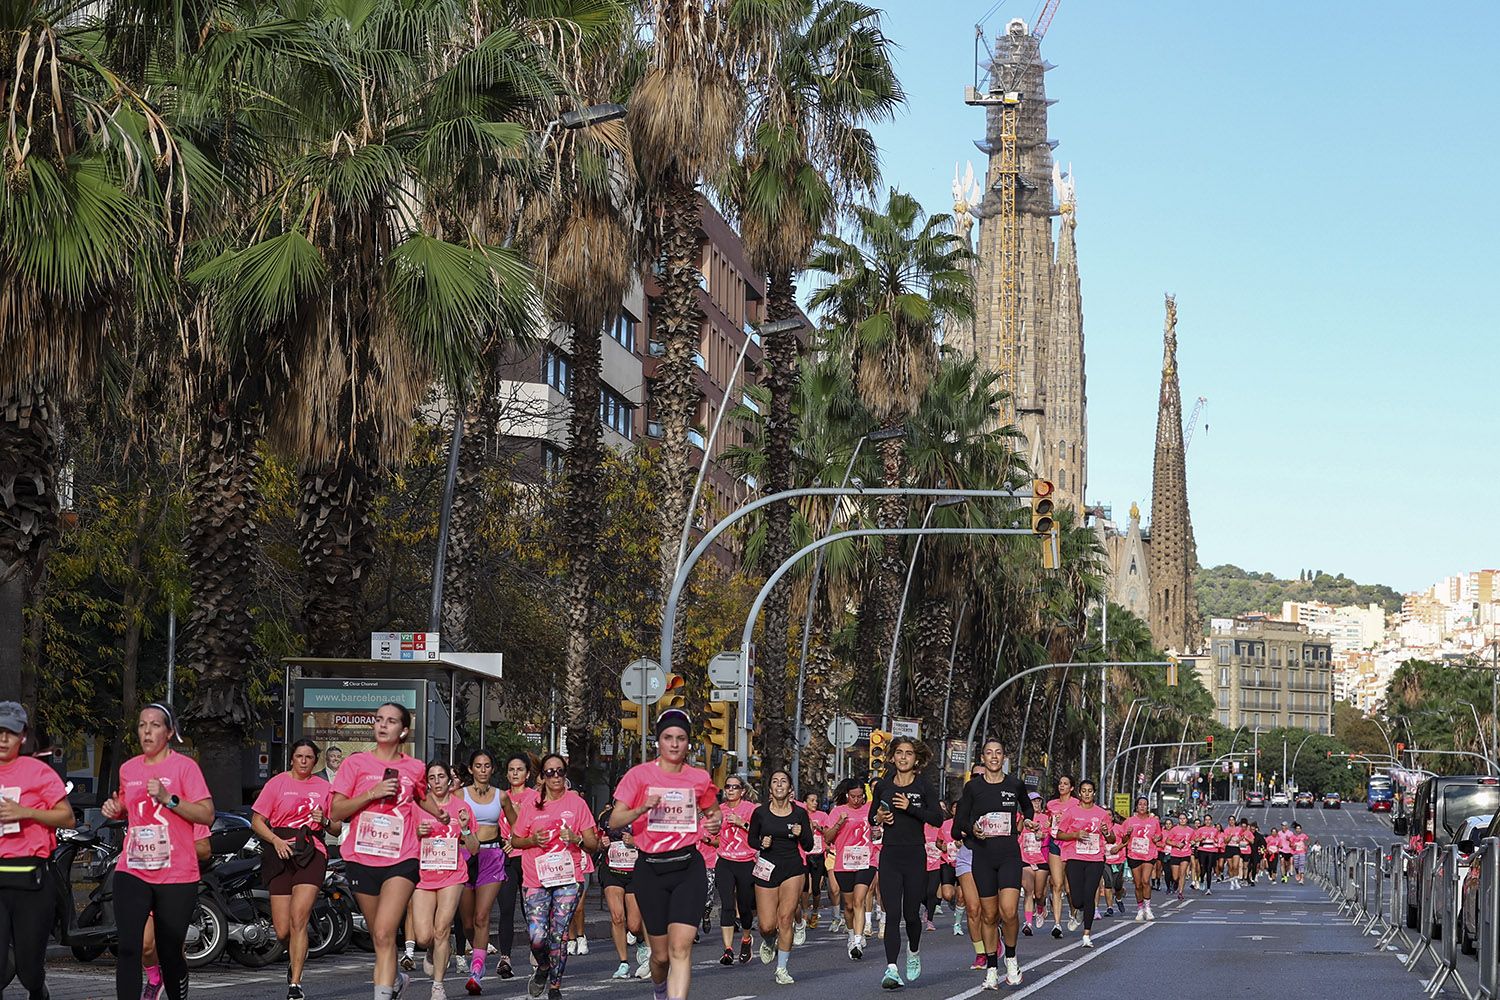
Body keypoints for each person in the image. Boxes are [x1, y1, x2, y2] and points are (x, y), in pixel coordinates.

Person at [331, 702, 452, 1000]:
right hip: (362, 856)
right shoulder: (355, 764)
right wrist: (371, 793)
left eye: (391, 721)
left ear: (404, 730)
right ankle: (395, 979)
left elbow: (420, 795)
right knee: (379, 936)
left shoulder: (414, 767)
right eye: (379, 719)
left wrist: (438, 812)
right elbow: (336, 810)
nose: (383, 725)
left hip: (402, 857)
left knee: (385, 932)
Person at [103, 703, 214, 1000]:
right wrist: (116, 809)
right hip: (134, 868)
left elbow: (207, 815)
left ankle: (175, 987)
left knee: (169, 951)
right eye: (142, 725)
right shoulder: (129, 769)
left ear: (169, 732)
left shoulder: (185, 768)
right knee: (130, 947)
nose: (147, 731)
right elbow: (127, 805)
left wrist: (169, 799)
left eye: (154, 725)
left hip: (176, 873)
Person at [610, 710, 722, 1000]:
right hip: (651, 870)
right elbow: (614, 820)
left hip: (688, 868)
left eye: (680, 738)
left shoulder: (699, 778)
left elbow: (714, 812)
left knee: (681, 948)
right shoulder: (639, 776)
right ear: (658, 741)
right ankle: (660, 990)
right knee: (660, 957)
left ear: (688, 743)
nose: (674, 744)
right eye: (668, 737)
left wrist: (714, 822)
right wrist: (642, 808)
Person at [251, 738, 341, 1000]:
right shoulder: (277, 783)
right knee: (282, 930)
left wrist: (325, 820)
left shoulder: (324, 788)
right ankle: (295, 955)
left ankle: (296, 984)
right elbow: (257, 821)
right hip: (279, 849)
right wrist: (275, 840)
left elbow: (336, 828)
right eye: (299, 756)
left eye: (309, 757)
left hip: (311, 851)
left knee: (299, 917)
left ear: (315, 761)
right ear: (291, 758)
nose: (303, 761)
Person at [508, 753, 598, 1000]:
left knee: (559, 934)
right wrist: (532, 840)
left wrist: (577, 839)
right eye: (550, 772)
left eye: (560, 771)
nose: (556, 776)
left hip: (568, 879)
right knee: (537, 937)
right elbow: (515, 840)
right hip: (535, 879)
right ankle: (543, 967)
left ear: (565, 774)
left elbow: (593, 844)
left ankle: (555, 987)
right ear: (543, 776)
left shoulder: (577, 804)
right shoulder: (531, 804)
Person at [0, 702, 72, 1000]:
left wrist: (25, 812)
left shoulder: (38, 772)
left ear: (23, 736)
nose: (3, 739)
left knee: (29, 969)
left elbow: (67, 818)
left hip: (31, 880)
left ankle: (38, 990)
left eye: (10, 732)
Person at [952, 737, 1033, 990]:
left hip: (1009, 855)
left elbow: (1027, 808)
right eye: (989, 753)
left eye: (998, 752)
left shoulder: (1015, 784)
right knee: (988, 915)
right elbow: (959, 822)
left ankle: (1011, 958)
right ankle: (991, 968)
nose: (994, 757)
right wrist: (972, 829)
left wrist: (1027, 821)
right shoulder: (973, 787)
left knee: (1008, 911)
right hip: (983, 856)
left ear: (1004, 757)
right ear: (983, 758)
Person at [869, 737, 943, 990]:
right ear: (892, 757)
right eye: (899, 752)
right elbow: (871, 817)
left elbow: (937, 819)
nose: (903, 757)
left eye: (908, 753)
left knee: (911, 914)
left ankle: (913, 950)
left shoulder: (924, 786)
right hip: (890, 855)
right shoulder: (883, 785)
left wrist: (911, 808)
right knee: (892, 913)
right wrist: (879, 817)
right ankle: (891, 969)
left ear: (916, 759)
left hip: (914, 856)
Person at [412, 761, 480, 1000]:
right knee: (423, 936)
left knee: (441, 928)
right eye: (432, 777)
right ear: (427, 782)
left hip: (452, 874)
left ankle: (438, 985)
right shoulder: (418, 806)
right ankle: (432, 949)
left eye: (441, 776)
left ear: (449, 780)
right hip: (423, 875)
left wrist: (465, 829)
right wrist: (416, 833)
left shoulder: (461, 807)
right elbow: (403, 841)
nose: (437, 781)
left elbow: (474, 849)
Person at [458, 749, 516, 994]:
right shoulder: (459, 794)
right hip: (464, 856)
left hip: (491, 856)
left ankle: (476, 972)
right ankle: (477, 952)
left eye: (487, 765)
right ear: (470, 769)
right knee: (467, 922)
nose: (483, 770)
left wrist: (513, 841)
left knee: (482, 917)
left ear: (492, 769)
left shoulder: (501, 796)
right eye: (478, 766)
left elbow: (518, 823)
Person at [748, 769, 811, 984]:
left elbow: (809, 845)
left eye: (783, 781)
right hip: (767, 867)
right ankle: (768, 941)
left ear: (790, 788)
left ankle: (782, 968)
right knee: (766, 925)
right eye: (775, 781)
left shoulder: (799, 813)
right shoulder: (760, 813)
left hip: (792, 868)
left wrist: (801, 833)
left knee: (785, 918)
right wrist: (761, 843)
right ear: (770, 788)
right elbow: (751, 840)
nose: (779, 784)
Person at [1052, 778, 1113, 949]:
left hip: (1095, 859)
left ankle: (1087, 934)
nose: (1087, 794)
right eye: (1084, 791)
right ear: (1079, 793)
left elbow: (1112, 839)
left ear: (1094, 793)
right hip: (1075, 857)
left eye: (1090, 791)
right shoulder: (1071, 812)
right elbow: (1059, 834)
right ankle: (1078, 910)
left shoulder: (1101, 813)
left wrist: (1106, 833)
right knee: (1077, 898)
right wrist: (1075, 835)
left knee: (1089, 894)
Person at [493, 753, 534, 980]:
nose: (515, 773)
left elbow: (539, 825)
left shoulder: (535, 797)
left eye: (519, 769)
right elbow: (492, 827)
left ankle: (537, 952)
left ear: (527, 774)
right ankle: (505, 958)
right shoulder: (500, 797)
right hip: (506, 858)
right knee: (506, 908)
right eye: (511, 769)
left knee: (531, 910)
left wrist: (519, 840)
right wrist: (502, 842)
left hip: (528, 857)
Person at [824, 778, 874, 959]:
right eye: (853, 796)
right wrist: (839, 823)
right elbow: (828, 838)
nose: (857, 800)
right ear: (847, 795)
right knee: (849, 905)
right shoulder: (838, 811)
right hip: (844, 863)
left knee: (859, 900)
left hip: (866, 861)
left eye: (860, 796)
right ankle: (852, 935)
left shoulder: (870, 809)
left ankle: (858, 942)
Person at [595, 804, 646, 979]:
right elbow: (596, 843)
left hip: (635, 873)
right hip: (612, 872)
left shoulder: (642, 815)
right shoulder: (607, 817)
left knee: (634, 925)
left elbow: (653, 842)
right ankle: (623, 963)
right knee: (617, 917)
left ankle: (641, 941)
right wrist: (602, 844)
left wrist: (635, 842)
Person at [713, 774, 756, 964]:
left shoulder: (750, 809)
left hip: (746, 862)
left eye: (735, 787)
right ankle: (728, 950)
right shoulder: (719, 810)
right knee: (727, 905)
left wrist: (741, 823)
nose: (730, 790)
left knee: (745, 907)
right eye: (728, 786)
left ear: (742, 791)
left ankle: (746, 939)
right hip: (725, 861)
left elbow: (759, 833)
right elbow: (712, 834)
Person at [1042, 775, 1076, 938]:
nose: (1062, 786)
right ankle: (1057, 924)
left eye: (1065, 784)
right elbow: (1048, 821)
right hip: (1055, 844)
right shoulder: (1051, 804)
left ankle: (1074, 912)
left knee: (1070, 888)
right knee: (1057, 885)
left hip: (1071, 845)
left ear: (1072, 788)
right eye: (1060, 783)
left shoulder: (1076, 804)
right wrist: (1048, 825)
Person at [1119, 797, 1161, 921]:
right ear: (1136, 806)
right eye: (1140, 804)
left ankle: (1147, 908)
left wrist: (1157, 838)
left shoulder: (1154, 821)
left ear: (1148, 807)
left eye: (1145, 804)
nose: (1142, 806)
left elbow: (1159, 835)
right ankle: (1140, 908)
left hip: (1149, 854)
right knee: (1138, 884)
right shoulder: (1129, 821)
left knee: (1145, 881)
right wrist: (1127, 834)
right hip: (1134, 854)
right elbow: (1123, 839)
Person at [1018, 792, 1048, 937]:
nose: (1036, 804)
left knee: (1039, 893)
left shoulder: (1045, 818)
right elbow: (1017, 835)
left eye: (1038, 801)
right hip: (1026, 859)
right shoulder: (1022, 819)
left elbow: (1051, 835)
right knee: (1028, 891)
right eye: (1033, 801)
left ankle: (1040, 908)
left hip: (1041, 859)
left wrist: (1043, 835)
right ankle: (1028, 923)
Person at [801, 792, 827, 931]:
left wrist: (818, 828)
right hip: (805, 855)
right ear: (805, 802)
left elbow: (828, 833)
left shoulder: (822, 815)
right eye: (812, 800)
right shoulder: (801, 815)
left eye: (816, 800)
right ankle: (805, 913)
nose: (815, 803)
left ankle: (815, 911)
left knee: (816, 888)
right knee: (805, 887)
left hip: (818, 855)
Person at [1164, 812, 1193, 901]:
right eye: (1180, 819)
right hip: (1175, 854)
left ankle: (1180, 892)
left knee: (1182, 873)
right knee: (1175, 876)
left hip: (1186, 853)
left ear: (1186, 820)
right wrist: (1176, 844)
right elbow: (1167, 841)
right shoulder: (1174, 830)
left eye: (1184, 819)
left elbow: (1194, 840)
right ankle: (1176, 883)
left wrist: (1194, 842)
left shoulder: (1190, 830)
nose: (1182, 820)